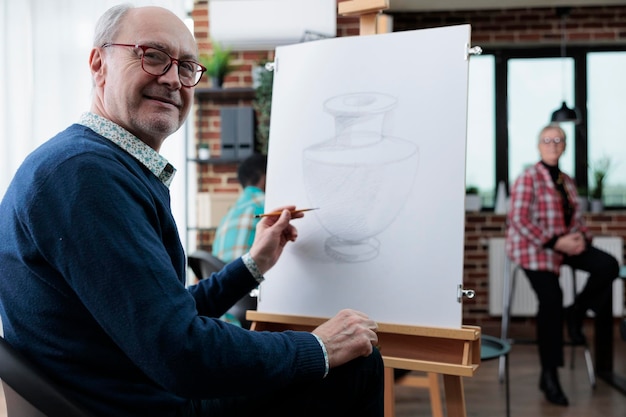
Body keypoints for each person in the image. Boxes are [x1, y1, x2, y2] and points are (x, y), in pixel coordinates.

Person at [0, 5, 384, 417]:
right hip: (149, 406)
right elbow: (181, 353)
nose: (171, 79)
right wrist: (318, 347)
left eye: (186, 67)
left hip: (131, 392)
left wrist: (254, 264)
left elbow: (162, 317)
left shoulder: (94, 165)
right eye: (152, 55)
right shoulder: (84, 175)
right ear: (99, 64)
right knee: (355, 366)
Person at [506, 123, 619, 407]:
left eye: (559, 139)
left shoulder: (567, 181)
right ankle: (549, 375)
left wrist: (581, 238)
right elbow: (518, 220)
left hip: (565, 244)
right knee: (552, 300)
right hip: (535, 248)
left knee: (608, 265)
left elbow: (577, 220)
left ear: (565, 145)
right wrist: (556, 242)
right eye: (548, 139)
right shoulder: (528, 177)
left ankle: (577, 311)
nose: (553, 144)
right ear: (538, 144)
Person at [212, 153, 267, 263]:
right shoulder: (266, 203)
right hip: (249, 277)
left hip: (223, 277)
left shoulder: (229, 214)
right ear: (265, 177)